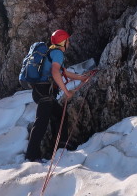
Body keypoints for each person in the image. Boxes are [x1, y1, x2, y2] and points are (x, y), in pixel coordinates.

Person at [25, 29, 89, 161]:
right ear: (63, 41)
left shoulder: (52, 52)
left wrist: (81, 78)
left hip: (41, 91)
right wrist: (66, 92)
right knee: (41, 123)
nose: (69, 43)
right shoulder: (58, 53)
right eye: (68, 41)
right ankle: (31, 157)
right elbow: (55, 72)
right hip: (44, 92)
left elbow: (64, 73)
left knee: (60, 114)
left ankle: (61, 144)